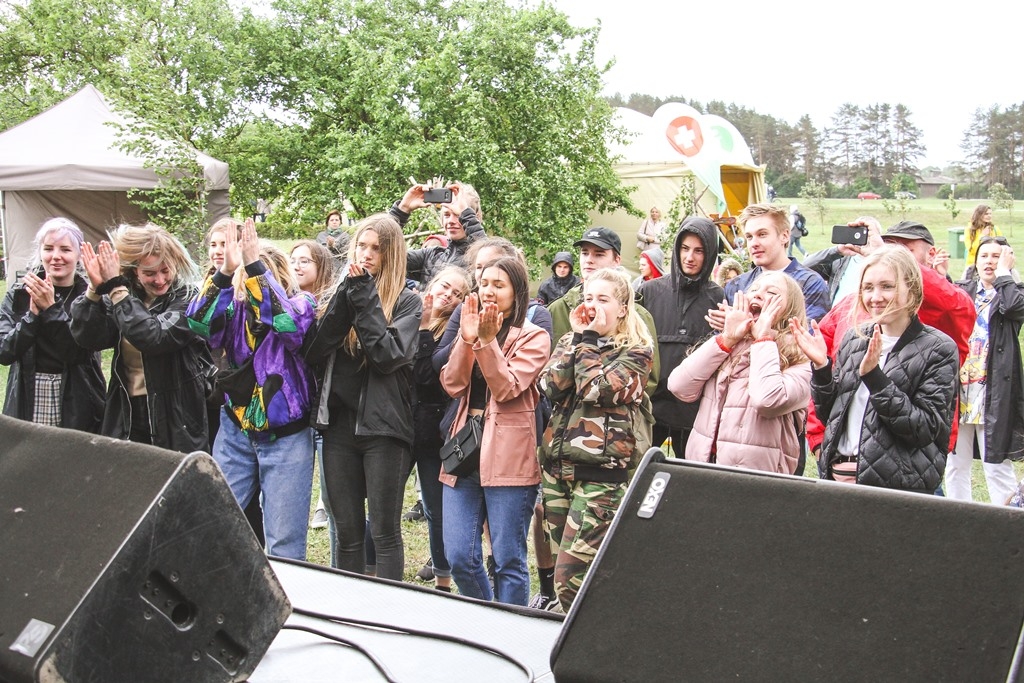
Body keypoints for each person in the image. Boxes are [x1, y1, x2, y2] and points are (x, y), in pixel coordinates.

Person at [187, 219, 317, 560]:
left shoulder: (303, 305)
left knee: (285, 545)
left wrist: (255, 266)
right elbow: (198, 323)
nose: (252, 287)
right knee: (210, 522)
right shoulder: (234, 309)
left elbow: (289, 329)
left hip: (286, 439)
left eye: (261, 276)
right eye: (249, 277)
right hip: (236, 431)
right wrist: (226, 273)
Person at [304, 214, 421, 579]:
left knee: (385, 533)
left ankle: (387, 620)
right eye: (362, 246)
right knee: (348, 533)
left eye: (377, 249)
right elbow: (316, 349)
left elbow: (386, 355)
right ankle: (346, 614)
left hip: (384, 431)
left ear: (392, 255)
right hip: (338, 429)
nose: (367, 254)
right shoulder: (343, 293)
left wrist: (365, 296)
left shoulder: (407, 303)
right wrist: (346, 297)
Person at [803, 220, 976, 462]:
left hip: (909, 459)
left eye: (904, 251)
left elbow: (957, 307)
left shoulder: (945, 308)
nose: (877, 297)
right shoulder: (851, 307)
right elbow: (826, 374)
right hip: (846, 461)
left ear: (930, 255)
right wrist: (820, 439)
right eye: (888, 248)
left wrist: (883, 254)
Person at [792, 246, 959, 492]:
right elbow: (833, 417)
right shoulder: (855, 339)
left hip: (895, 489)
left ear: (911, 289)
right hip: (840, 480)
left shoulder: (938, 348)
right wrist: (822, 368)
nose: (875, 297)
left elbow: (923, 430)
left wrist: (875, 378)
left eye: (887, 286)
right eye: (868, 288)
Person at [540, 267, 654, 611]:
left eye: (603, 299)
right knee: (576, 573)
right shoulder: (572, 341)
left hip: (600, 479)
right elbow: (551, 388)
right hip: (557, 473)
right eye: (588, 298)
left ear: (623, 307)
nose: (592, 306)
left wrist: (586, 341)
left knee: (569, 581)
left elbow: (596, 390)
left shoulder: (636, 352)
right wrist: (577, 340)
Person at [439, 256, 550, 605]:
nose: (488, 291)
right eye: (484, 283)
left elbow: (506, 389)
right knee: (459, 556)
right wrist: (467, 340)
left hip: (509, 457)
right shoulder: (469, 328)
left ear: (516, 293)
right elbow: (453, 384)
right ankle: (489, 615)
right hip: (465, 449)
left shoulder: (535, 337)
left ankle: (512, 630)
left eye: (498, 285)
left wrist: (486, 343)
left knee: (508, 559)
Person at [70, 223, 209, 453]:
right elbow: (89, 338)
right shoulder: (125, 293)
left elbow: (154, 337)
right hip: (126, 409)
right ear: (134, 270)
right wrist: (94, 291)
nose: (160, 280)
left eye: (166, 270)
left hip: (177, 414)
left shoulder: (189, 298)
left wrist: (116, 290)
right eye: (149, 273)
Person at [669, 272, 811, 474]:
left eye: (771, 292)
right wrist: (726, 338)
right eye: (754, 290)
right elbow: (679, 386)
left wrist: (763, 338)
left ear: (790, 310)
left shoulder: (800, 358)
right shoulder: (728, 346)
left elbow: (767, 400)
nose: (758, 295)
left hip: (756, 480)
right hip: (704, 467)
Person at [0, 218, 104, 432]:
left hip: (78, 397)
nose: (56, 256)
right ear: (40, 253)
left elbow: (79, 353)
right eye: (48, 249)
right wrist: (32, 317)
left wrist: (51, 309)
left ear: (78, 256)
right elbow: (5, 352)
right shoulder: (20, 293)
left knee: (72, 461)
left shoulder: (89, 296)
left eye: (65, 249)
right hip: (28, 393)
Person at [945, 237, 1024, 503]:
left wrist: (1004, 274)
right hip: (960, 390)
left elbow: (1013, 307)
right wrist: (938, 273)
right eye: (984, 256)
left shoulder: (1014, 291)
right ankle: (958, 518)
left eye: (996, 256)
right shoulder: (963, 289)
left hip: (993, 393)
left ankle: (1008, 522)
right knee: (956, 464)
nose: (989, 261)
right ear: (975, 261)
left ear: (1006, 260)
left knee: (996, 465)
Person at [636, 216, 723, 456]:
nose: (689, 257)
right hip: (652, 408)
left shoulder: (718, 297)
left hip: (694, 411)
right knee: (643, 478)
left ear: (710, 254)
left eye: (698, 251)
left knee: (692, 482)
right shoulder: (649, 291)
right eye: (684, 249)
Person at [548, 227, 660, 396]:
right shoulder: (557, 309)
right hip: (564, 418)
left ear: (617, 260)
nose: (589, 260)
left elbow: (649, 382)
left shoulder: (638, 315)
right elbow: (546, 383)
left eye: (599, 254)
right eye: (584, 253)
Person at [414, 265, 471, 591]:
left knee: (435, 508)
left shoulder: (451, 330)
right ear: (432, 284)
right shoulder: (408, 312)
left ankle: (443, 578)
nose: (447, 296)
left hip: (434, 430)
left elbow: (427, 376)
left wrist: (424, 328)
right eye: (445, 287)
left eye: (457, 294)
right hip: (400, 424)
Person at [289, 240, 338, 535]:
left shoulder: (330, 306)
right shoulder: (285, 303)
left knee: (335, 495)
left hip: (324, 406)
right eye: (293, 259)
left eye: (305, 260)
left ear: (321, 266)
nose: (297, 265)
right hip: (294, 407)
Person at [720, 204, 830, 323]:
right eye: (749, 237)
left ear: (784, 236)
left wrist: (745, 326)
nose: (753, 243)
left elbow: (810, 335)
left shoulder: (809, 283)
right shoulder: (736, 286)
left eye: (762, 234)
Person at [390, 180, 485, 288]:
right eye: (447, 215)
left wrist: (467, 216)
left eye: (458, 215)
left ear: (475, 217)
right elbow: (382, 256)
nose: (451, 221)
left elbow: (489, 257)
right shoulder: (431, 256)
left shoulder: (479, 261)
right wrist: (401, 210)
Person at [964, 204, 1002, 274]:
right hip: (973, 265)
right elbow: (972, 250)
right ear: (979, 214)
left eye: (990, 214)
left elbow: (1001, 247)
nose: (989, 216)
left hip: (992, 266)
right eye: (986, 214)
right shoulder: (970, 229)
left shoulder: (995, 229)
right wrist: (982, 236)